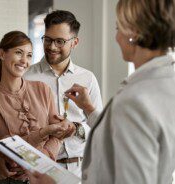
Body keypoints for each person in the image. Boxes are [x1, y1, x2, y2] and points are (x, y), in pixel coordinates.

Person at [28, 0, 175, 183]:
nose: (117, 37)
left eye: (118, 27)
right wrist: (89, 109)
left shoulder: (134, 99)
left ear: (134, 33)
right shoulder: (166, 84)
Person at [0, 10, 103, 180]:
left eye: (60, 41)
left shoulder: (88, 79)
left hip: (77, 170)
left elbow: (98, 126)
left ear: (74, 42)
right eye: (48, 39)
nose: (52, 47)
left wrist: (75, 128)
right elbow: (0, 128)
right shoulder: (25, 76)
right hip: (34, 171)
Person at [0, 31, 73, 184]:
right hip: (9, 180)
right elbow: (12, 148)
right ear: (2, 54)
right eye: (19, 53)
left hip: (44, 175)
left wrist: (44, 160)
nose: (24, 61)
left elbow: (58, 133)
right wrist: (45, 132)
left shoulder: (43, 89)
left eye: (29, 55)